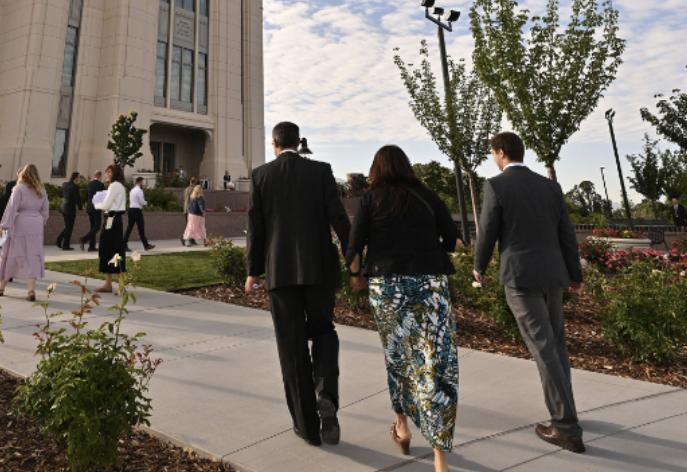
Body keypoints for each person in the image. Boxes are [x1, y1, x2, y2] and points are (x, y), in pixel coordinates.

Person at [346, 145, 459, 472]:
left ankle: (403, 427)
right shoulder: (426, 195)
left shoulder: (371, 198)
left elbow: (353, 246)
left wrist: (356, 276)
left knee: (398, 359)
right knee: (436, 366)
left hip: (387, 286)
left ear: (376, 169)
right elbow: (451, 239)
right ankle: (440, 462)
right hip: (431, 286)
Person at [473, 132, 586, 454]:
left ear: (500, 152)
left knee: (543, 348)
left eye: (493, 153)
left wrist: (478, 266)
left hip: (521, 277)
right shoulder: (550, 186)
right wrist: (574, 274)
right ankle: (568, 413)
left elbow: (488, 229)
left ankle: (566, 427)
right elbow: (566, 233)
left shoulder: (496, 186)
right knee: (556, 346)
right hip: (553, 275)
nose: (492, 158)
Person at [245, 121, 350, 448]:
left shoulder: (261, 176)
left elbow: (256, 226)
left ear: (274, 144)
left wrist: (253, 271)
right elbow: (339, 218)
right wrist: (353, 258)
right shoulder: (321, 171)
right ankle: (326, 395)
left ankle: (307, 427)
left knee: (291, 348)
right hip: (319, 269)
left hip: (281, 273)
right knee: (323, 330)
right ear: (299, 142)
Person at [0, 164, 49, 300]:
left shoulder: (18, 188)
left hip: (20, 222)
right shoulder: (41, 190)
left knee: (12, 253)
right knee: (33, 256)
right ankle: (31, 291)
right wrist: (40, 222)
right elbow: (45, 211)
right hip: (36, 224)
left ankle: (1, 287)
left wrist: (3, 226)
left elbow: (11, 208)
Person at [96, 164, 128, 293]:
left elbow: (107, 204)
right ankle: (111, 284)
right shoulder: (120, 186)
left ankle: (116, 284)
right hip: (114, 220)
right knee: (112, 249)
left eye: (110, 172)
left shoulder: (114, 186)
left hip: (111, 219)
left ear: (115, 173)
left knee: (110, 249)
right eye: (106, 171)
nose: (107, 174)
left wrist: (97, 204)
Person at [124, 176, 155, 250]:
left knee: (129, 228)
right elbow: (141, 201)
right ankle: (146, 245)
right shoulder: (139, 191)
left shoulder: (132, 190)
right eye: (142, 182)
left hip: (131, 210)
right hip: (137, 211)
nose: (143, 184)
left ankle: (124, 244)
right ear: (140, 182)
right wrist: (147, 203)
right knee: (141, 229)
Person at [56, 170, 81, 250]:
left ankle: (59, 240)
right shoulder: (75, 187)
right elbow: (77, 198)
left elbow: (61, 194)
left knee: (68, 227)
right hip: (70, 209)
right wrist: (80, 207)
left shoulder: (65, 184)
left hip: (63, 207)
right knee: (69, 227)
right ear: (76, 177)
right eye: (79, 177)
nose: (79, 179)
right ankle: (65, 245)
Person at [80, 170, 105, 251]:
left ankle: (91, 246)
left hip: (89, 207)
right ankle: (84, 239)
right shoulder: (100, 184)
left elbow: (87, 195)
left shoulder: (89, 184)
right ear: (99, 176)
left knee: (93, 227)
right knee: (97, 226)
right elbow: (101, 196)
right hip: (96, 207)